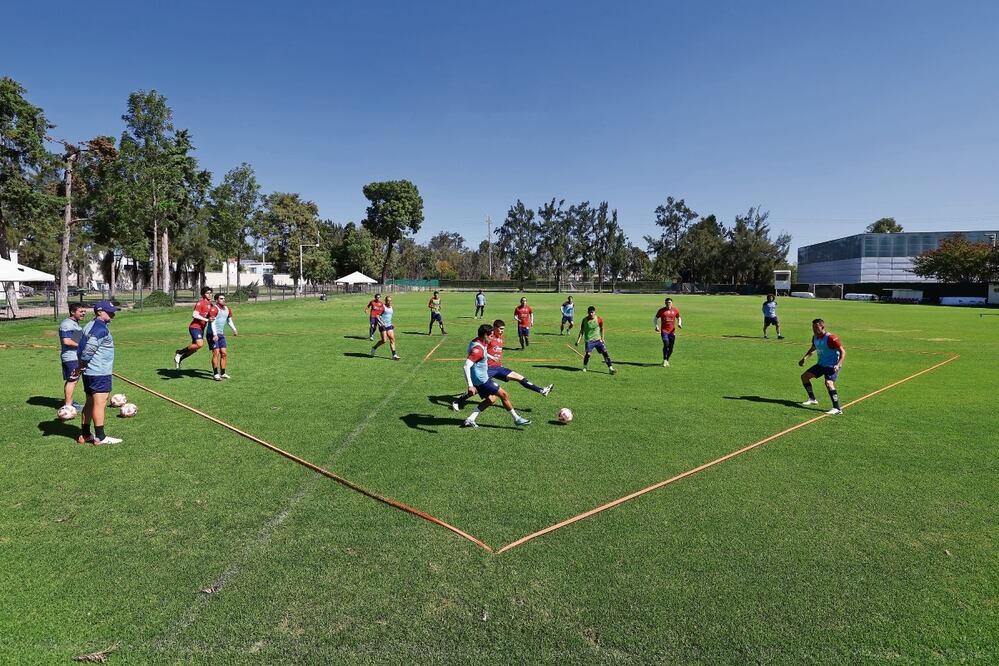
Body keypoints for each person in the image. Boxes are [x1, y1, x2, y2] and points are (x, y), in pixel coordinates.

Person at [451, 319, 552, 410]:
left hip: (498, 367)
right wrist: (488, 358)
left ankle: (541, 390)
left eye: (503, 329)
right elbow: (480, 349)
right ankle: (458, 401)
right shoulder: (488, 338)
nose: (502, 331)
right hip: (488, 368)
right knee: (478, 388)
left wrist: (495, 359)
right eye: (500, 329)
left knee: (520, 378)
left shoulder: (500, 338)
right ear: (494, 328)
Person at [458, 323, 531, 428]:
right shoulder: (477, 349)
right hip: (482, 380)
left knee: (491, 399)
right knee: (504, 395)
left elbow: (480, 353)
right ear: (485, 335)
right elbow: (466, 366)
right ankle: (517, 419)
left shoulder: (476, 342)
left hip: (479, 379)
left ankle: (470, 419)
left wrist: (491, 357)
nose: (492, 338)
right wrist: (470, 385)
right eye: (491, 336)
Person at [73, 300, 122, 445]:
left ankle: (85, 435)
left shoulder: (88, 325)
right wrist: (82, 364)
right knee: (99, 404)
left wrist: (81, 366)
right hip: (99, 372)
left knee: (89, 402)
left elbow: (77, 342)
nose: (113, 315)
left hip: (89, 372)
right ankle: (100, 437)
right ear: (99, 312)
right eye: (110, 312)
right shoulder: (101, 329)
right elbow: (88, 349)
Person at [798, 318, 846, 415]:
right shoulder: (815, 337)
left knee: (828, 383)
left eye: (816, 327)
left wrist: (838, 364)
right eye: (813, 327)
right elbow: (813, 348)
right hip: (821, 364)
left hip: (832, 365)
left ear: (822, 327)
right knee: (804, 377)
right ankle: (812, 399)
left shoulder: (831, 338)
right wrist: (804, 358)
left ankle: (837, 408)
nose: (814, 329)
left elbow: (842, 351)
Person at [175, 286, 214, 369]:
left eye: (211, 293)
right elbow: (194, 315)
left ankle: (180, 359)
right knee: (200, 344)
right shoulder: (201, 303)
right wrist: (206, 320)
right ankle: (179, 352)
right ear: (203, 294)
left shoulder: (210, 305)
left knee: (194, 349)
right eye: (207, 293)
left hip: (201, 329)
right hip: (195, 327)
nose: (210, 294)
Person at [58, 303, 87, 412]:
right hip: (70, 358)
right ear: (72, 312)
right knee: (72, 380)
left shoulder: (75, 324)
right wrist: (84, 346)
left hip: (76, 357)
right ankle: (68, 406)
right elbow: (67, 341)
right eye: (81, 311)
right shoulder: (67, 324)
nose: (83, 313)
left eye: (84, 311)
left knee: (73, 380)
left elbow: (75, 340)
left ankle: (70, 402)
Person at [575, 306, 616, 374]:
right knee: (588, 354)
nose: (591, 314)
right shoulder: (584, 320)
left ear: (594, 312)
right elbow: (582, 331)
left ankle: (610, 368)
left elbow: (602, 328)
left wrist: (602, 338)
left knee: (605, 352)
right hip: (589, 340)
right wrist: (578, 340)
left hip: (598, 340)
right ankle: (585, 366)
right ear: (587, 312)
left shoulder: (599, 319)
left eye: (592, 312)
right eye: (589, 312)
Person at [207, 293, 239, 381]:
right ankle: (215, 374)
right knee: (216, 352)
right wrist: (214, 334)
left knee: (224, 353)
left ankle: (223, 373)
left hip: (221, 334)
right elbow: (212, 322)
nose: (223, 300)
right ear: (216, 300)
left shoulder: (227, 309)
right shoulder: (214, 309)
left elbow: (229, 321)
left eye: (224, 298)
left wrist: (234, 329)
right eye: (221, 298)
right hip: (212, 334)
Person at [654, 297, 682, 367]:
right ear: (665, 303)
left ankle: (666, 360)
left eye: (669, 302)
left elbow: (679, 317)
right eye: (666, 302)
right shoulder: (661, 310)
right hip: (664, 331)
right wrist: (656, 326)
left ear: (672, 303)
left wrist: (679, 323)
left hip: (672, 332)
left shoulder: (675, 310)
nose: (668, 304)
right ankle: (664, 360)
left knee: (671, 348)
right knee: (666, 344)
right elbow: (655, 319)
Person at [371, 295, 401, 360]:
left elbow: (388, 316)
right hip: (382, 325)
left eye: (390, 300)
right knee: (384, 340)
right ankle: (374, 347)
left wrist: (391, 323)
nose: (389, 302)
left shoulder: (391, 307)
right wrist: (381, 323)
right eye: (388, 300)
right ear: (385, 301)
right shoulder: (382, 307)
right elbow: (377, 315)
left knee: (392, 339)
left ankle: (394, 355)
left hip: (389, 325)